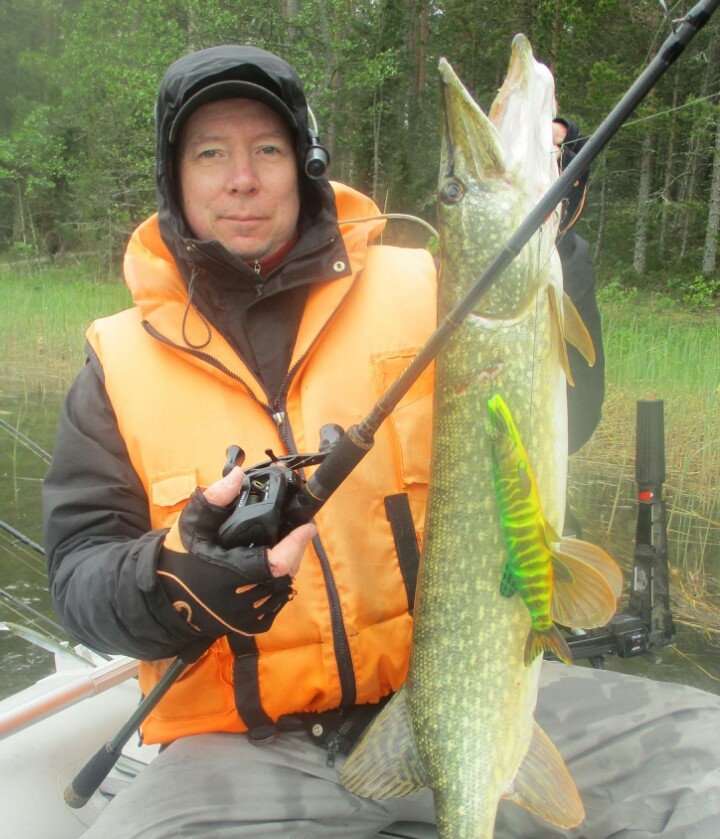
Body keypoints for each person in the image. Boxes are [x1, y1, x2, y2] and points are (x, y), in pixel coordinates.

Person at [42, 46, 720, 838]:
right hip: (245, 752)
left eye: (267, 149)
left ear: (305, 163)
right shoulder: (116, 365)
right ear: (175, 178)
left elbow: (572, 410)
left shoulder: (432, 284)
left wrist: (553, 238)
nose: (242, 179)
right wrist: (172, 578)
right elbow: (79, 577)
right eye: (210, 153)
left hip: (473, 688)